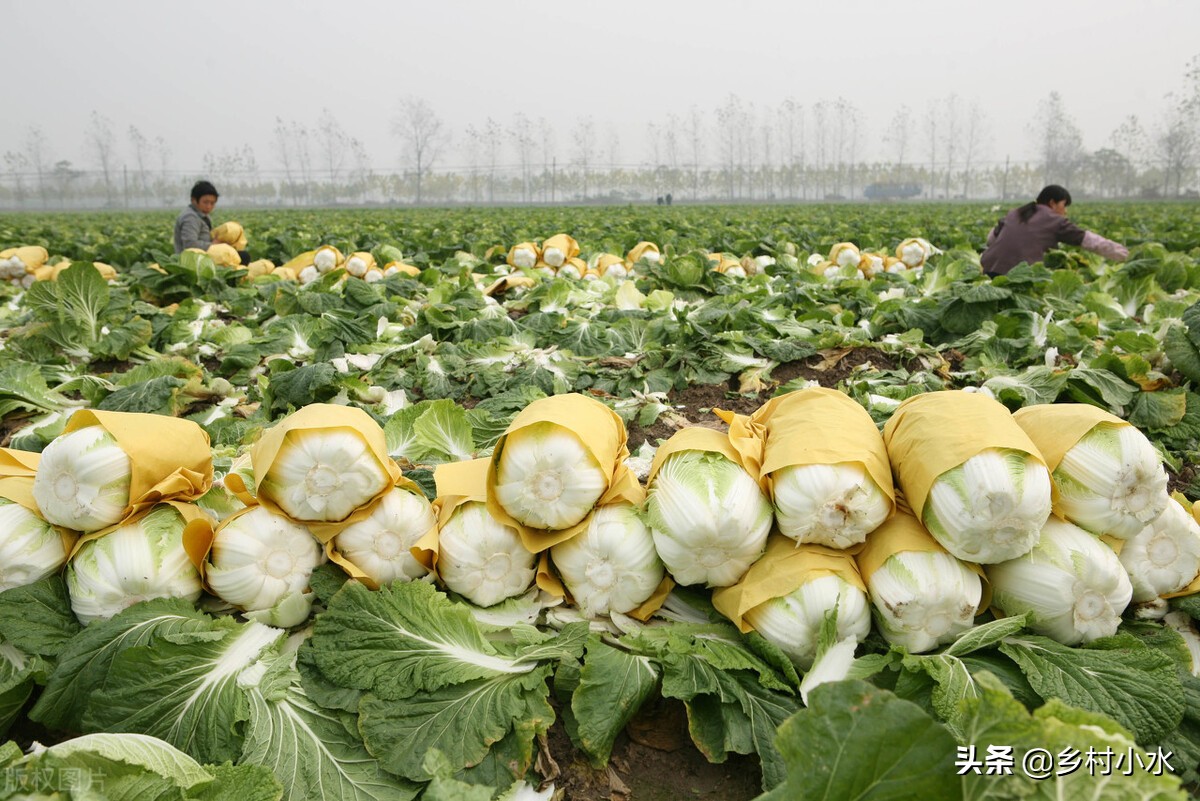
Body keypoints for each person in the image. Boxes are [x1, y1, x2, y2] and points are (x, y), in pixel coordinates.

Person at [980, 185, 1129, 277]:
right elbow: (1086, 240)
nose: (1065, 212)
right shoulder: (1054, 220)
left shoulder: (1016, 212)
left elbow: (991, 239)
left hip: (987, 269)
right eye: (1064, 205)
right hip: (1018, 276)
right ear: (1052, 203)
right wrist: (1121, 254)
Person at [174, 180, 219, 254]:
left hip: (203, 257)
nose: (209, 206)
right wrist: (213, 245)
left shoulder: (203, 215)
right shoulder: (190, 217)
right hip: (191, 261)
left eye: (212, 203)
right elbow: (190, 245)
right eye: (205, 202)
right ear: (193, 200)